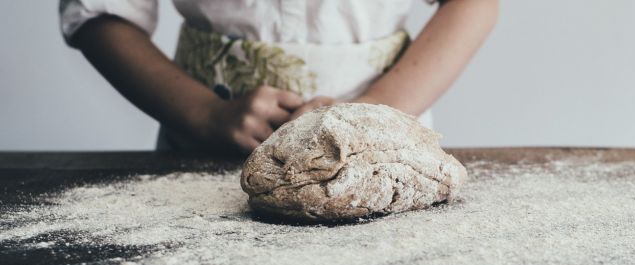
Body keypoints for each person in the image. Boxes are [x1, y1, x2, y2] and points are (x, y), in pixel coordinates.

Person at [60, 0, 498, 154]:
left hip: (381, 145)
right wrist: (206, 114)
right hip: (206, 144)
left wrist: (371, 114)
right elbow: (98, 12)